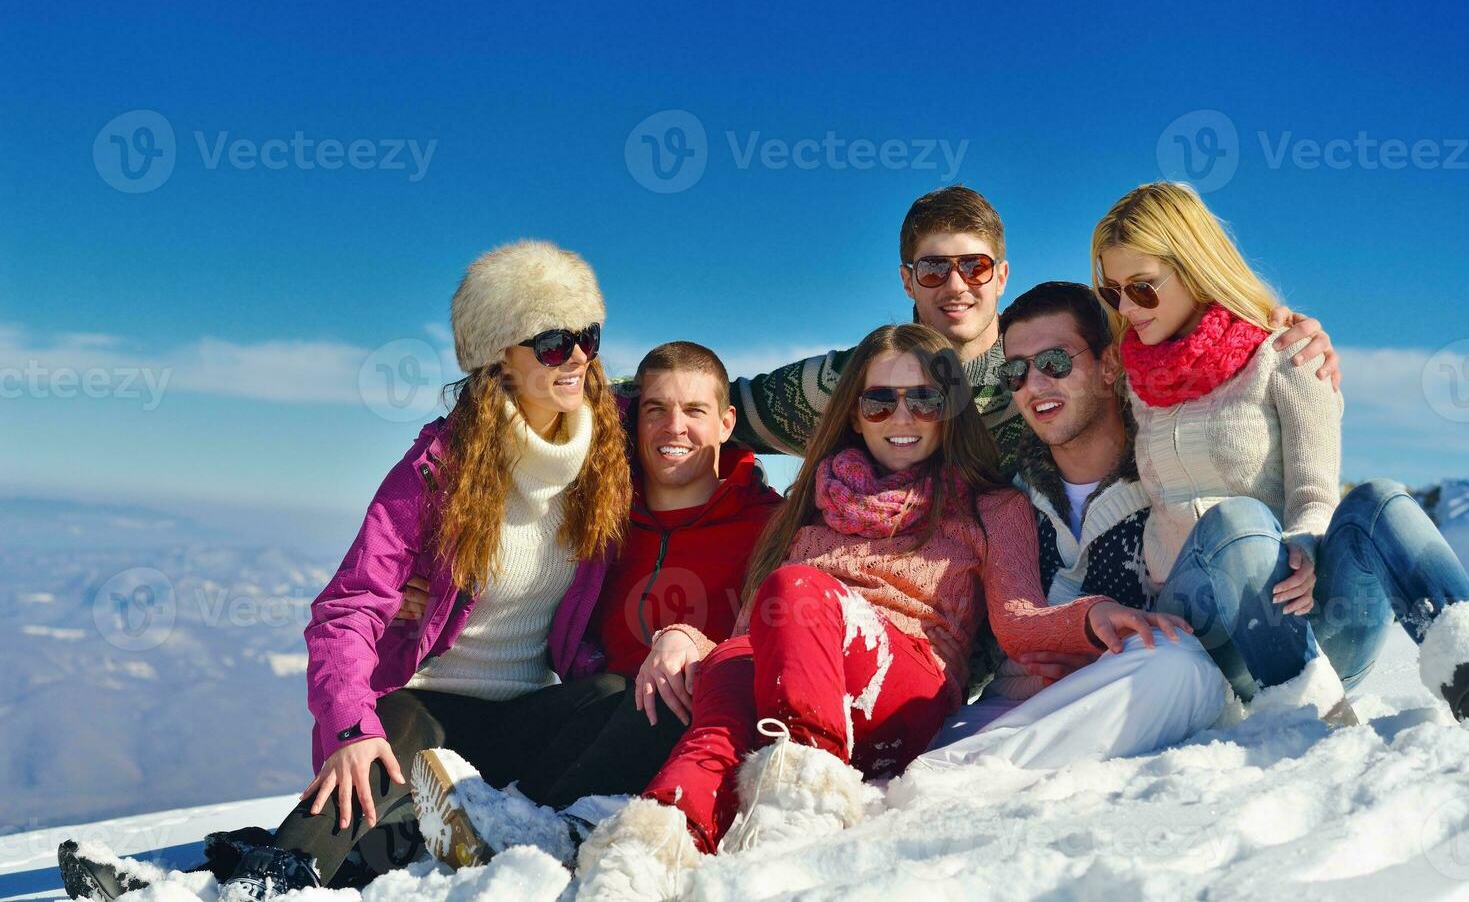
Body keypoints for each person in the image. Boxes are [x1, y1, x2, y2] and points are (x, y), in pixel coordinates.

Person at [58, 239, 634, 900]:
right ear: (497, 356)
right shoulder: (437, 472)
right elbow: (348, 607)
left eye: (588, 336)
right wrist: (349, 728)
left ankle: (339, 855)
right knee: (387, 732)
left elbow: (692, 412)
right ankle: (266, 881)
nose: (579, 358)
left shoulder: (608, 452)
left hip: (530, 718)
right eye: (553, 343)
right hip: (425, 717)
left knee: (621, 698)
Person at [573, 323, 1180, 901]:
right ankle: (643, 858)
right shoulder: (808, 501)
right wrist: (684, 637)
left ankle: (799, 816)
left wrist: (1092, 615)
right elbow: (752, 630)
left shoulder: (990, 505)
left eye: (923, 399)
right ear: (855, 414)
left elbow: (1017, 620)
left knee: (797, 588)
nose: (903, 417)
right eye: (880, 401)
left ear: (950, 408)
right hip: (784, 669)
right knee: (719, 718)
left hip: (900, 684)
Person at [1093, 182, 1469, 724]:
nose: (1127, 307)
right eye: (1113, 292)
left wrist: (1308, 543)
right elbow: (1043, 381)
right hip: (1205, 632)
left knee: (1380, 499)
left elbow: (1317, 491)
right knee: (1237, 517)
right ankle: (1310, 719)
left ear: (1195, 267)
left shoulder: (1287, 352)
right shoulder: (1131, 380)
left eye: (1144, 289)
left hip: (1314, 619)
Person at [403, 341, 783, 867]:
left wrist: (694, 643)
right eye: (656, 409)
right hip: (581, 723)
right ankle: (483, 831)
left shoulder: (769, 527)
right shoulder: (603, 520)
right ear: (635, 421)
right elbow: (524, 571)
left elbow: (779, 644)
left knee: (671, 693)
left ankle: (526, 838)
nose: (675, 427)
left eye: (695, 410)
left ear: (725, 423)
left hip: (690, 734)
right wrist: (427, 590)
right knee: (601, 694)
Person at [726, 184, 1342, 475]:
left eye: (975, 266)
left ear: (1001, 275)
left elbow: (1178, 335)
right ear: (907, 281)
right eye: (934, 269)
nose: (956, 285)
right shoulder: (856, 380)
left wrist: (1272, 325)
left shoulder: (1060, 363)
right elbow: (707, 411)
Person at [915, 281, 1227, 770]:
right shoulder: (1004, 498)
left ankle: (976, 777)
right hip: (1016, 711)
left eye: (1055, 362)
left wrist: (1286, 330)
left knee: (1181, 666)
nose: (1035, 385)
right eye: (1015, 372)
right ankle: (971, 774)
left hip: (1140, 691)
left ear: (1108, 366)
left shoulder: (1171, 475)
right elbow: (1005, 622)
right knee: (941, 745)